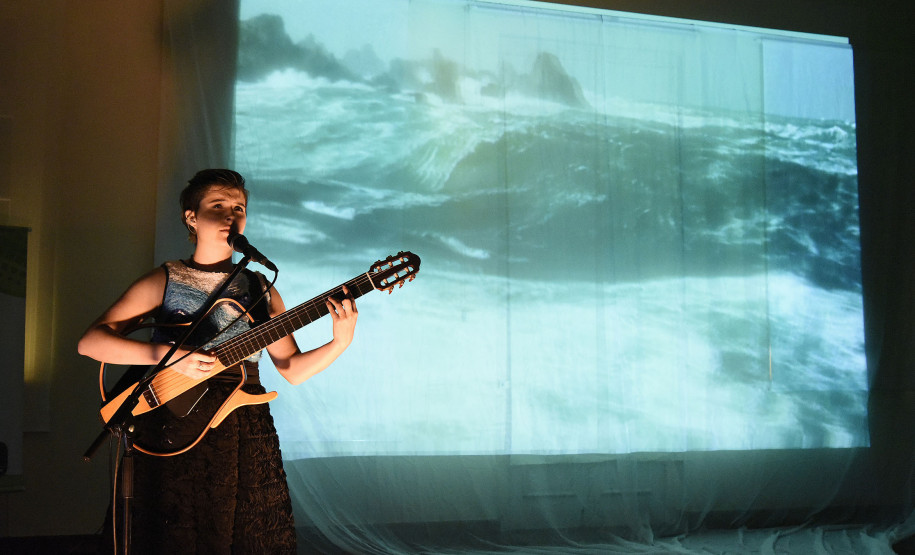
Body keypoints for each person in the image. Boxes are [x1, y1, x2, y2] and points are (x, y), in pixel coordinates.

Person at [78, 169, 358, 553]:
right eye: (218, 206)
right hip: (174, 423)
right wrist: (169, 357)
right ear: (191, 217)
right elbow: (90, 343)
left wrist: (339, 342)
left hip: (243, 426)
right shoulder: (167, 279)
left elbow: (292, 368)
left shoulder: (260, 288)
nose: (231, 215)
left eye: (239, 208)